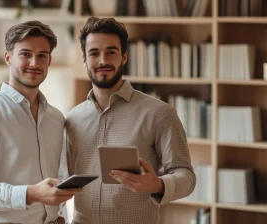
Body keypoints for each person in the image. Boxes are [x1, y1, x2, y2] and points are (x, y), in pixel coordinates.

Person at [64, 17, 196, 224]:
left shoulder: (159, 113)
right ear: (85, 60)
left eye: (111, 52)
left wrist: (158, 185)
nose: (102, 61)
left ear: (124, 56)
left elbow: (186, 176)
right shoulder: (72, 118)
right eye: (94, 53)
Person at [0, 20, 82, 224]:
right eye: (25, 54)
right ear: (8, 58)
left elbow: (56, 179)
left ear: (49, 61)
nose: (34, 63)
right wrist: (30, 193)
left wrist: (58, 215)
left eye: (42, 55)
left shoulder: (56, 118)